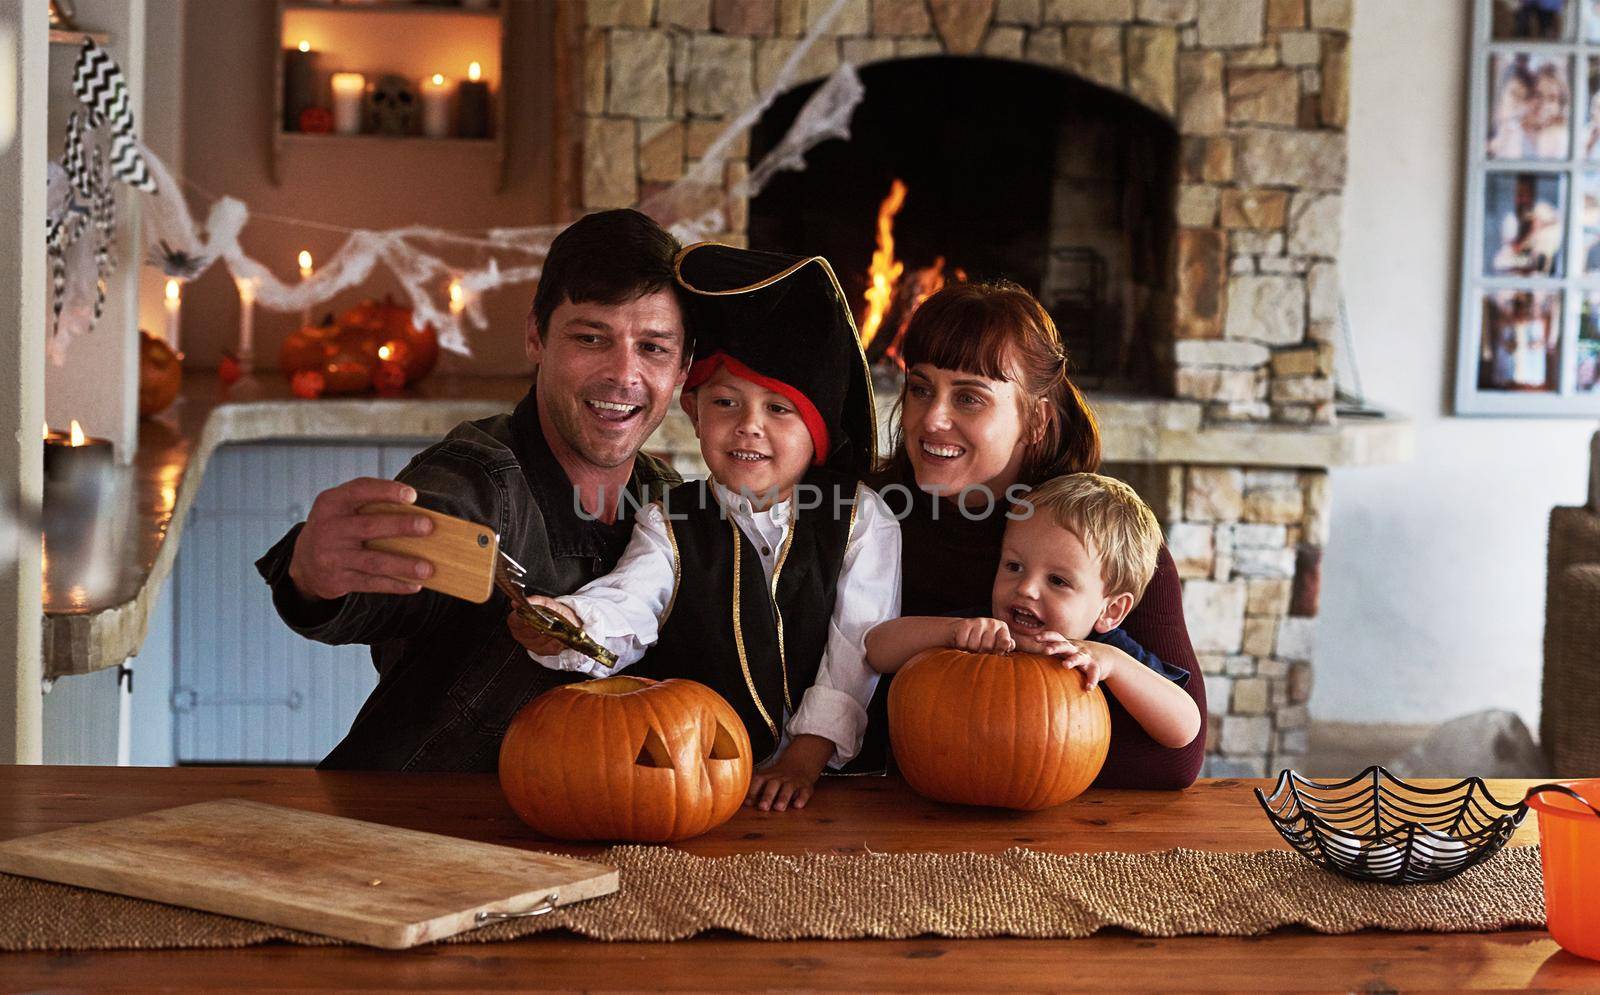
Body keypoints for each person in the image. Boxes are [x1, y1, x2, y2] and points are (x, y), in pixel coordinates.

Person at [254, 209, 691, 770]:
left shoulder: (673, 505)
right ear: (536, 337)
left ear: (683, 369)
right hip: (410, 831)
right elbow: (387, 582)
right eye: (591, 337)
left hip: (583, 843)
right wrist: (313, 576)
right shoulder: (475, 482)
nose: (624, 374)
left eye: (653, 347)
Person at [511, 243, 900, 813]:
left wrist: (805, 757)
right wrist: (573, 623)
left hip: (834, 788)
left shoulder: (861, 519)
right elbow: (633, 598)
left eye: (780, 410)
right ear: (694, 413)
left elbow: (857, 645)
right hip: (696, 780)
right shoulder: (670, 517)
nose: (748, 428)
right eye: (725, 402)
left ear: (817, 430)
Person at [862, 279, 1208, 788]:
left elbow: (1170, 760)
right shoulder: (864, 515)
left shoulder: (1092, 534)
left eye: (970, 398)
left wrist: (994, 739)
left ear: (1037, 420)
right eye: (920, 388)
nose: (932, 419)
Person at [864, 473, 1201, 752]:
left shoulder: (1104, 650)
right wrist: (950, 631)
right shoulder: (986, 629)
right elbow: (877, 649)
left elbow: (1184, 728)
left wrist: (1115, 664)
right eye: (1014, 566)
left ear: (1111, 610)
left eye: (1058, 580)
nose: (1026, 588)